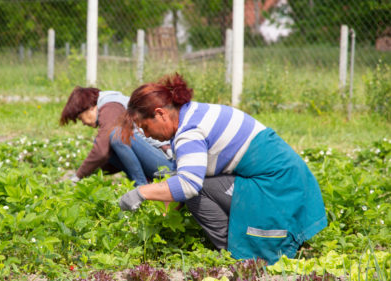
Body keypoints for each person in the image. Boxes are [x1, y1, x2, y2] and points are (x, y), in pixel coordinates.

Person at [117, 73, 327, 265]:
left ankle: (237, 253)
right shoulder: (193, 113)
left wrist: (141, 192)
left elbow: (188, 185)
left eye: (144, 126)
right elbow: (183, 177)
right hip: (293, 186)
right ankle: (243, 244)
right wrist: (165, 215)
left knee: (196, 191)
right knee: (194, 186)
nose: (146, 134)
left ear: (160, 114)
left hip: (279, 189)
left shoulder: (189, 133)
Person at [59, 86, 174, 186]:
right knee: (110, 142)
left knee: (116, 135)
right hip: (157, 159)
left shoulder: (111, 107)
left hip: (167, 163)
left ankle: (141, 187)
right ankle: (144, 183)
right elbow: (109, 156)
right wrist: (89, 172)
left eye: (81, 118)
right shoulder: (111, 105)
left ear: (90, 107)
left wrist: (78, 176)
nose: (83, 123)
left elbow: (101, 152)